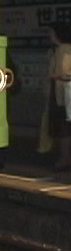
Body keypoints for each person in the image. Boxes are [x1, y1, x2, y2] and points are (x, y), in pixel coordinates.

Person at [46, 23, 71, 169]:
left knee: (63, 130)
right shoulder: (58, 49)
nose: (49, 36)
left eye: (51, 33)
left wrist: (52, 75)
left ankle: (64, 159)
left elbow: (63, 72)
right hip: (63, 94)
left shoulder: (63, 49)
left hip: (61, 95)